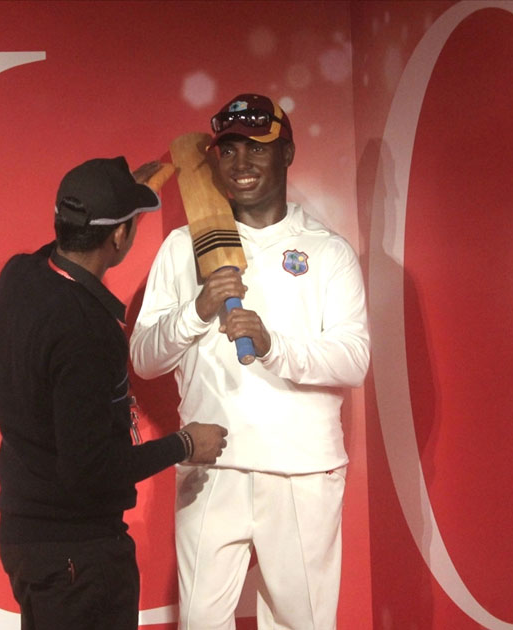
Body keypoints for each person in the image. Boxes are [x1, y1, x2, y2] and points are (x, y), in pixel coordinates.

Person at [130, 94, 370, 629]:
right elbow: (144, 358)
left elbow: (354, 359)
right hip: (212, 459)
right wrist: (197, 310)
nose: (240, 165)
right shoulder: (180, 247)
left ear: (286, 153)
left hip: (303, 466)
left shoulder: (327, 251)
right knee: (201, 622)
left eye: (256, 149)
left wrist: (271, 344)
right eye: (229, 151)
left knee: (300, 622)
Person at [0, 156, 228, 630]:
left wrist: (111, 199)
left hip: (27, 542)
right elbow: (92, 470)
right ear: (119, 237)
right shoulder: (87, 332)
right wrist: (186, 444)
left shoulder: (18, 276)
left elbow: (63, 246)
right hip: (79, 558)